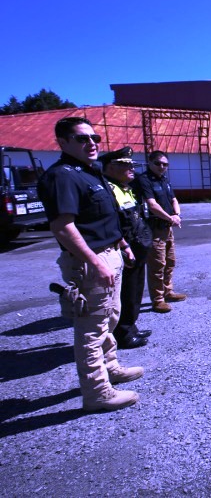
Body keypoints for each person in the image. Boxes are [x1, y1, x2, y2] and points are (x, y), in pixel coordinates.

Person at [37, 117, 142, 412]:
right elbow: (63, 227)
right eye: (82, 139)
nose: (92, 143)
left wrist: (123, 245)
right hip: (90, 261)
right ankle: (97, 392)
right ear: (62, 142)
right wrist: (95, 263)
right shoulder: (62, 176)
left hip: (109, 253)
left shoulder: (90, 172)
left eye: (94, 137)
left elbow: (102, 218)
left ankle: (111, 368)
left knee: (109, 318)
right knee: (91, 328)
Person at [100, 147, 152, 349]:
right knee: (125, 292)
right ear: (111, 167)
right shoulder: (108, 189)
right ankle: (123, 333)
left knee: (135, 289)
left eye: (132, 165)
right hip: (124, 248)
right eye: (126, 165)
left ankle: (131, 326)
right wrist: (125, 246)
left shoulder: (124, 188)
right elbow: (114, 224)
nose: (132, 169)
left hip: (136, 246)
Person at [135, 150, 186, 313]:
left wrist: (176, 215)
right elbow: (152, 205)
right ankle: (157, 300)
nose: (162, 167)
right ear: (149, 162)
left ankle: (168, 292)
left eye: (165, 164)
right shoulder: (144, 180)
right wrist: (170, 218)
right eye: (158, 163)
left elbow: (173, 199)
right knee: (157, 265)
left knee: (170, 262)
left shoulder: (164, 180)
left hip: (167, 227)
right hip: (154, 228)